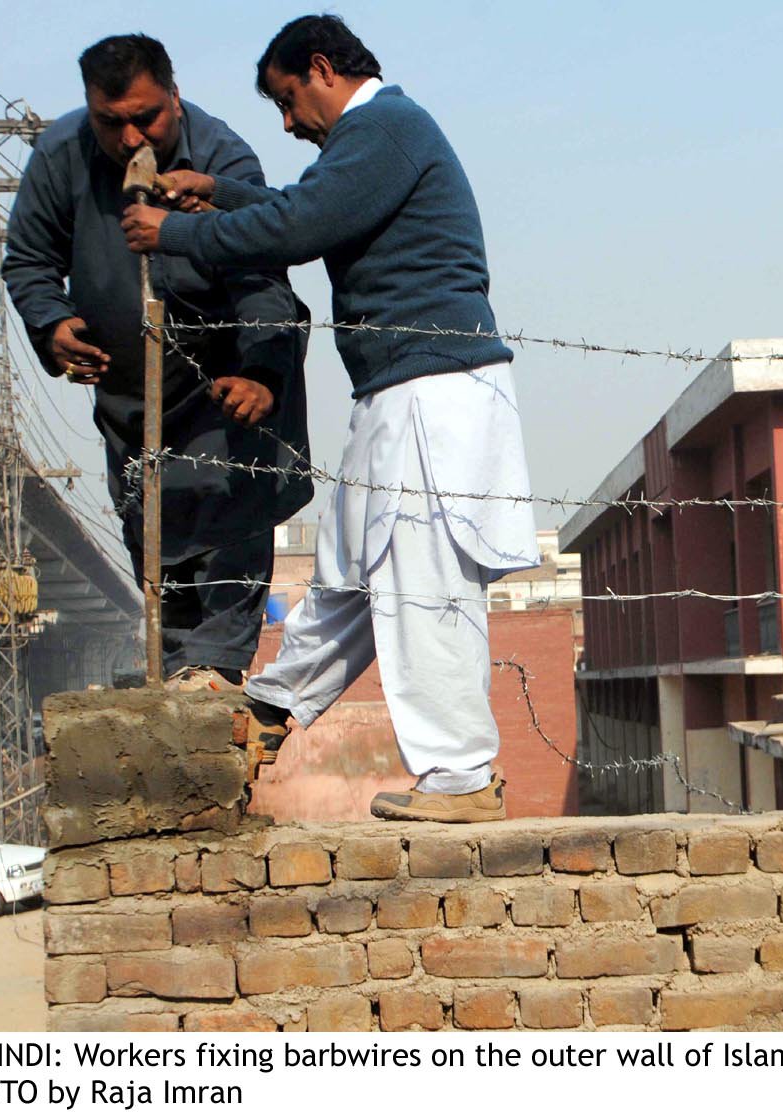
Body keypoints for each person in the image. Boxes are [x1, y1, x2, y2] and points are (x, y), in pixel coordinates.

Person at [121, 15, 538, 823]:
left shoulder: (385, 126)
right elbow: (304, 205)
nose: (286, 122)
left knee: (424, 579)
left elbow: (301, 224)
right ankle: (269, 712)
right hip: (402, 386)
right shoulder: (376, 138)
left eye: (287, 100)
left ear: (321, 68)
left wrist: (180, 230)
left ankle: (460, 778)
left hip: (432, 386)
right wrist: (222, 193)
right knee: (352, 570)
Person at [4, 34, 313, 691]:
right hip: (128, 396)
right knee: (149, 521)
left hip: (219, 379)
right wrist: (52, 323)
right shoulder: (61, 155)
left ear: (174, 96)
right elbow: (29, 262)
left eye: (147, 117)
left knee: (229, 510)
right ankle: (175, 667)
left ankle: (216, 667)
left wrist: (262, 372)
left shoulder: (224, 156)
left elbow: (261, 278)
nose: (130, 136)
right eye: (109, 122)